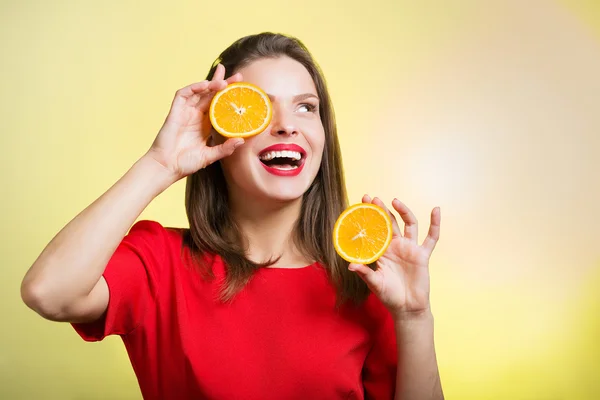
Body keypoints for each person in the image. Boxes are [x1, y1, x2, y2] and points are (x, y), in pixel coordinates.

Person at [21, 32, 444, 400]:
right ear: (218, 130)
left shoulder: (366, 284)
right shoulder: (160, 263)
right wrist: (160, 164)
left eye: (306, 107)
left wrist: (413, 316)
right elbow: (48, 292)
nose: (286, 125)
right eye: (258, 106)